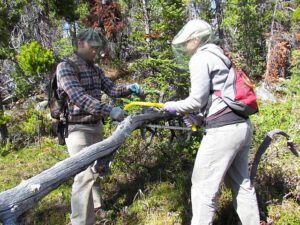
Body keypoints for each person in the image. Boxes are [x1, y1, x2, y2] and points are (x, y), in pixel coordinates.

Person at [163, 19, 260, 225]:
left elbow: (196, 100)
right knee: (241, 184)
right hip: (241, 127)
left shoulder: (201, 58)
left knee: (202, 187)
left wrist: (171, 106)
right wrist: (201, 118)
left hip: (223, 132)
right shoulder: (221, 54)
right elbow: (220, 95)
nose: (184, 46)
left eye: (187, 42)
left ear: (196, 39)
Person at [56, 28, 142, 225]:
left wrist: (130, 88)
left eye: (98, 48)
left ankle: (97, 207)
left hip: (95, 126)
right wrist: (109, 111)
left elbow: (112, 89)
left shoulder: (95, 69)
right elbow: (78, 96)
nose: (96, 52)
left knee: (95, 170)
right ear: (80, 43)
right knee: (83, 176)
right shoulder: (65, 67)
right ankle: (80, 221)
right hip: (77, 129)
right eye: (92, 48)